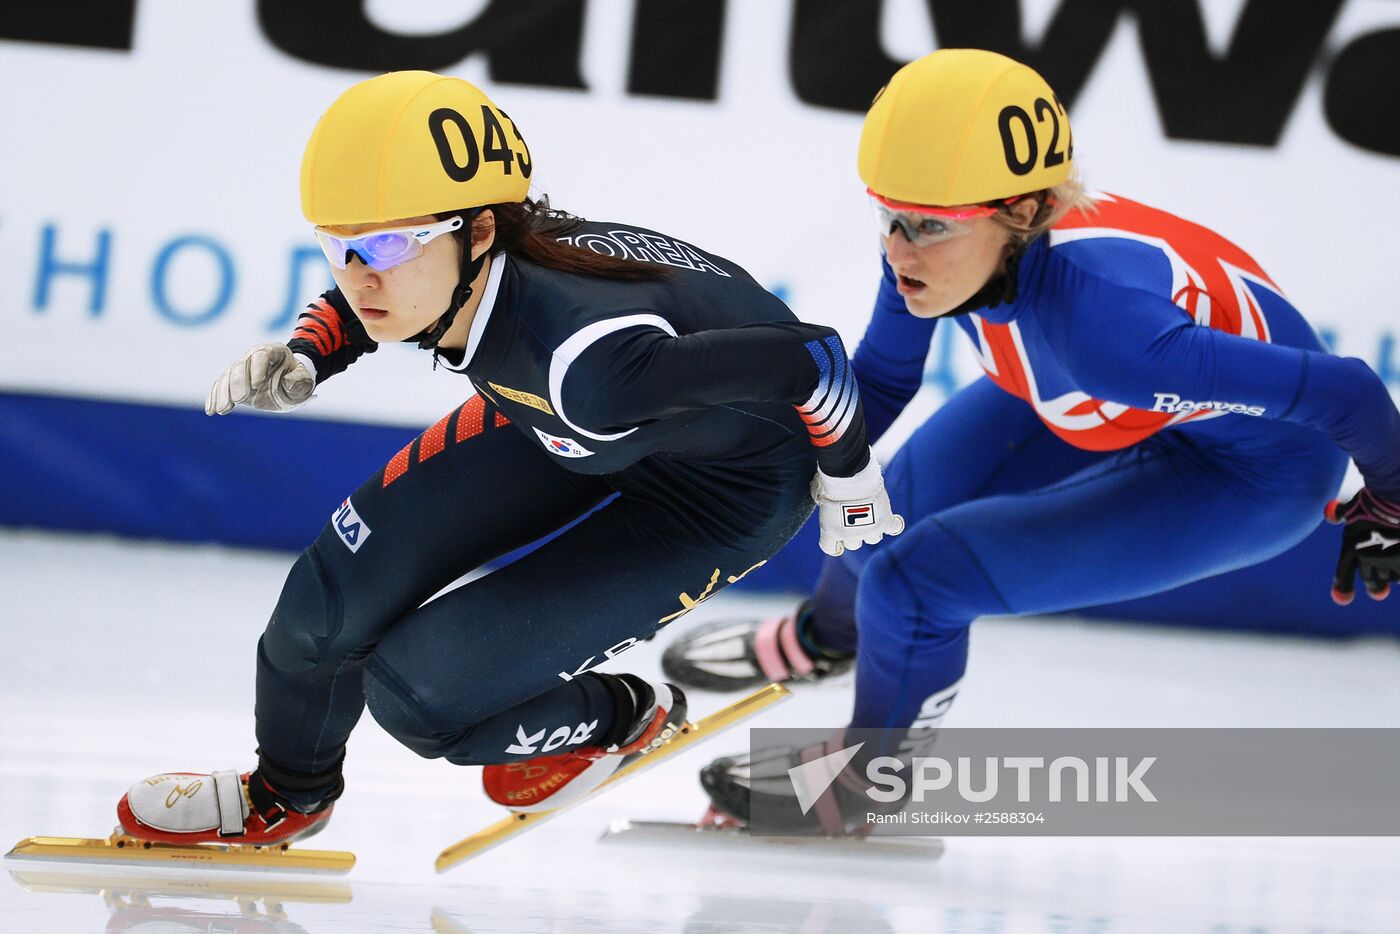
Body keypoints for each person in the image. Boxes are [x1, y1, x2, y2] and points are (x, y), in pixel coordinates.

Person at [113, 70, 902, 847]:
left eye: (386, 243)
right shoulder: (464, 269)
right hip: (561, 422)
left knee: (421, 697)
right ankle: (286, 794)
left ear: (481, 231)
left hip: (717, 496)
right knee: (322, 610)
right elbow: (382, 287)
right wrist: (310, 351)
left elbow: (813, 357)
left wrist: (848, 473)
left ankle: (626, 714)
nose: (358, 276)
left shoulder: (585, 362)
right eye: (338, 247)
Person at [661, 49, 1400, 832]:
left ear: (1023, 213)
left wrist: (1389, 505)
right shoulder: (950, 241)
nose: (899, 252)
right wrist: (751, 470)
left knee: (918, 583)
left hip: (1256, 476)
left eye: (928, 226)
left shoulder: (1107, 331)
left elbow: (1349, 391)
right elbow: (880, 382)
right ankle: (829, 638)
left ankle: (866, 783)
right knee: (885, 507)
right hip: (1084, 395)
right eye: (888, 217)